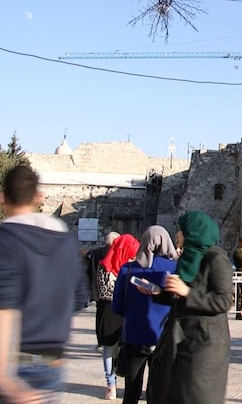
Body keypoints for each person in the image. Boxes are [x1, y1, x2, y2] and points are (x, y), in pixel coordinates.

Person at [0, 166, 89, 402]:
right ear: (38, 197)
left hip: (13, 364)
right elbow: (80, 298)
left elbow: (4, 307)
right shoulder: (67, 240)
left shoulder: (6, 240)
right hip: (53, 361)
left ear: (3, 198)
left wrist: (4, 379)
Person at [147, 211, 233, 404]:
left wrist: (187, 292)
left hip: (203, 344)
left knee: (194, 395)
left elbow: (224, 300)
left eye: (181, 230)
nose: (177, 234)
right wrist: (158, 293)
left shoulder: (216, 259)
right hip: (181, 337)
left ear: (192, 232)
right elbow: (180, 296)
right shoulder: (187, 259)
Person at [112, 226, 177, 404]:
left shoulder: (127, 269)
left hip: (134, 335)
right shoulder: (175, 268)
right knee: (159, 393)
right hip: (163, 338)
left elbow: (117, 306)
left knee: (131, 392)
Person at [97, 233, 141, 400]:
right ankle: (111, 384)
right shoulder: (109, 266)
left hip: (120, 311)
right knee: (109, 348)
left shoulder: (127, 267)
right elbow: (105, 292)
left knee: (126, 349)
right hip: (111, 312)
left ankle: (121, 385)